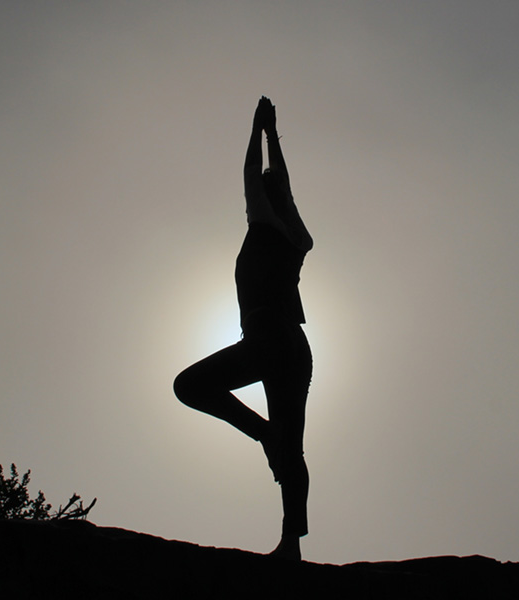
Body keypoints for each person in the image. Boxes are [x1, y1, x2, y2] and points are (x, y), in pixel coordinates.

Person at [173, 96, 313, 560]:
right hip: (296, 346)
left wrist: (258, 131)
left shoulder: (265, 223)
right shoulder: (297, 237)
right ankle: (291, 543)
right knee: (294, 448)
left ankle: (263, 435)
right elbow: (284, 186)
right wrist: (275, 135)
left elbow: (256, 177)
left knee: (189, 385)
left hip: (268, 336)